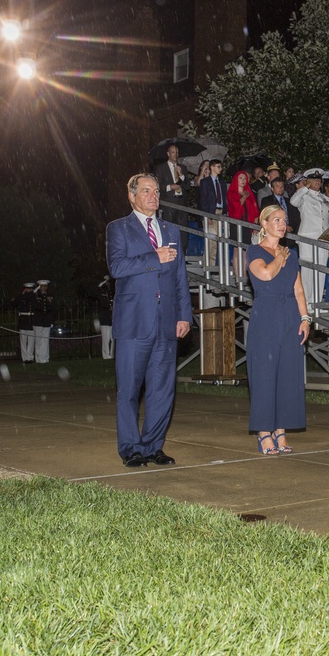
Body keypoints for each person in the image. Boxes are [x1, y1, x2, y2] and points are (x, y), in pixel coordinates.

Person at [106, 173, 193, 467]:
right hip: (134, 323)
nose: (153, 196)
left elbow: (181, 278)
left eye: (156, 191)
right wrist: (153, 257)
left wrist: (184, 315)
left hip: (166, 323)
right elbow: (117, 266)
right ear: (132, 196)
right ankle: (131, 448)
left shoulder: (171, 230)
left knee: (161, 390)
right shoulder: (119, 228)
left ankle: (154, 446)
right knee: (129, 390)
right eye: (146, 191)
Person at [245, 205, 310, 454]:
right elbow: (265, 274)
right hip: (266, 315)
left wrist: (305, 318)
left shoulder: (292, 253)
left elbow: (299, 289)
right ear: (264, 224)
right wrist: (279, 257)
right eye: (276, 220)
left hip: (290, 316)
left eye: (284, 220)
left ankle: (281, 431)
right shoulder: (254, 250)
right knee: (264, 374)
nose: (282, 224)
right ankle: (264, 432)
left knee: (288, 374)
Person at [291, 170, 329, 310]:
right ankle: (305, 303)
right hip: (308, 238)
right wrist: (304, 187)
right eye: (314, 180)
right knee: (308, 272)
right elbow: (293, 201)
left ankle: (316, 302)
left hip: (322, 240)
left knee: (320, 272)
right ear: (308, 181)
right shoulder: (304, 196)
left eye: (319, 181)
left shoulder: (326, 199)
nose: (317, 183)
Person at [153, 143, 191, 254]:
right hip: (169, 203)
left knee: (183, 231)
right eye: (173, 152)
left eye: (177, 153)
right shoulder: (160, 168)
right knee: (169, 230)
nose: (176, 155)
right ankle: (169, 254)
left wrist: (181, 175)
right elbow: (157, 186)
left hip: (181, 203)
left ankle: (182, 254)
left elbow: (188, 186)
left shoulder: (183, 168)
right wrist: (170, 187)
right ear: (168, 154)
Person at [227, 170, 260, 280]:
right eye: (240, 178)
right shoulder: (232, 192)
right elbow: (235, 207)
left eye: (245, 178)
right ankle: (238, 277)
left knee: (246, 250)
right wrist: (244, 196)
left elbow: (255, 210)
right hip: (236, 224)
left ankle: (244, 276)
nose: (243, 180)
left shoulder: (249, 192)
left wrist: (255, 225)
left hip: (247, 224)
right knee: (237, 250)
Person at [198, 159, 227, 267]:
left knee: (218, 243)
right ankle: (208, 268)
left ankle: (214, 268)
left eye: (221, 167)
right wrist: (206, 216)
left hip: (220, 213)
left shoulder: (222, 183)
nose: (221, 169)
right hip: (211, 213)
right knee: (210, 243)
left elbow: (224, 199)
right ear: (212, 167)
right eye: (218, 166)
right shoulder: (205, 182)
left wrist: (224, 214)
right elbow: (203, 200)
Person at [259, 175, 300, 246]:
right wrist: (284, 226)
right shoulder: (267, 200)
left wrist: (292, 228)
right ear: (272, 188)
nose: (280, 188)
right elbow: (268, 216)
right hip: (274, 235)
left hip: (290, 236)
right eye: (277, 186)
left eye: (282, 186)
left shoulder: (288, 201)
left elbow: (295, 216)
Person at [32, 280, 54, 364]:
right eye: (42, 286)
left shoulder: (50, 296)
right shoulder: (36, 295)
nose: (44, 288)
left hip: (46, 320)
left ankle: (45, 358)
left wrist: (52, 320)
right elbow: (31, 299)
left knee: (45, 341)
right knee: (38, 341)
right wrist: (35, 290)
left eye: (45, 286)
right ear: (39, 287)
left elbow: (52, 309)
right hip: (38, 320)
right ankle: (38, 359)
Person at [15, 283, 35, 362]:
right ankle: (24, 358)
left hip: (31, 319)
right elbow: (14, 303)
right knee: (23, 340)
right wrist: (21, 295)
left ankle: (30, 357)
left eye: (30, 289)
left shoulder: (33, 296)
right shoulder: (21, 297)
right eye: (27, 289)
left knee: (31, 340)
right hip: (23, 320)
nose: (29, 290)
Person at [98, 275, 114, 360]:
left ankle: (111, 354)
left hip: (110, 318)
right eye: (106, 282)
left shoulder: (110, 293)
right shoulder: (101, 293)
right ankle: (105, 355)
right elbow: (103, 304)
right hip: (104, 318)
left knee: (112, 337)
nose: (108, 284)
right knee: (105, 338)